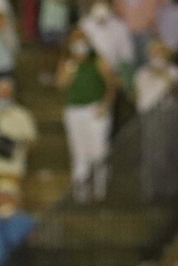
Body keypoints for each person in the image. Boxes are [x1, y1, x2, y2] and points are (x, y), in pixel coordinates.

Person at [58, 33, 116, 203]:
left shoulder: (99, 62)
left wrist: (106, 104)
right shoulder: (68, 63)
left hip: (95, 111)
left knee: (98, 153)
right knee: (79, 155)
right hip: (75, 112)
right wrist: (72, 66)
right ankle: (81, 195)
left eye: (82, 42)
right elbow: (61, 84)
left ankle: (101, 192)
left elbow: (112, 83)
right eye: (76, 42)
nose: (80, 46)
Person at [0, 78, 38, 212]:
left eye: (6, 93)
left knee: (9, 209)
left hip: (12, 168)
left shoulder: (22, 115)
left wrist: (16, 142)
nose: (2, 96)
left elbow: (33, 140)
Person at [135, 41, 178, 202]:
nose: (157, 56)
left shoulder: (175, 71)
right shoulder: (142, 73)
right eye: (155, 52)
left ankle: (170, 191)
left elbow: (177, 91)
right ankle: (150, 191)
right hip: (150, 115)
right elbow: (138, 95)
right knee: (151, 153)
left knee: (169, 151)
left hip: (169, 113)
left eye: (161, 52)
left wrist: (163, 74)